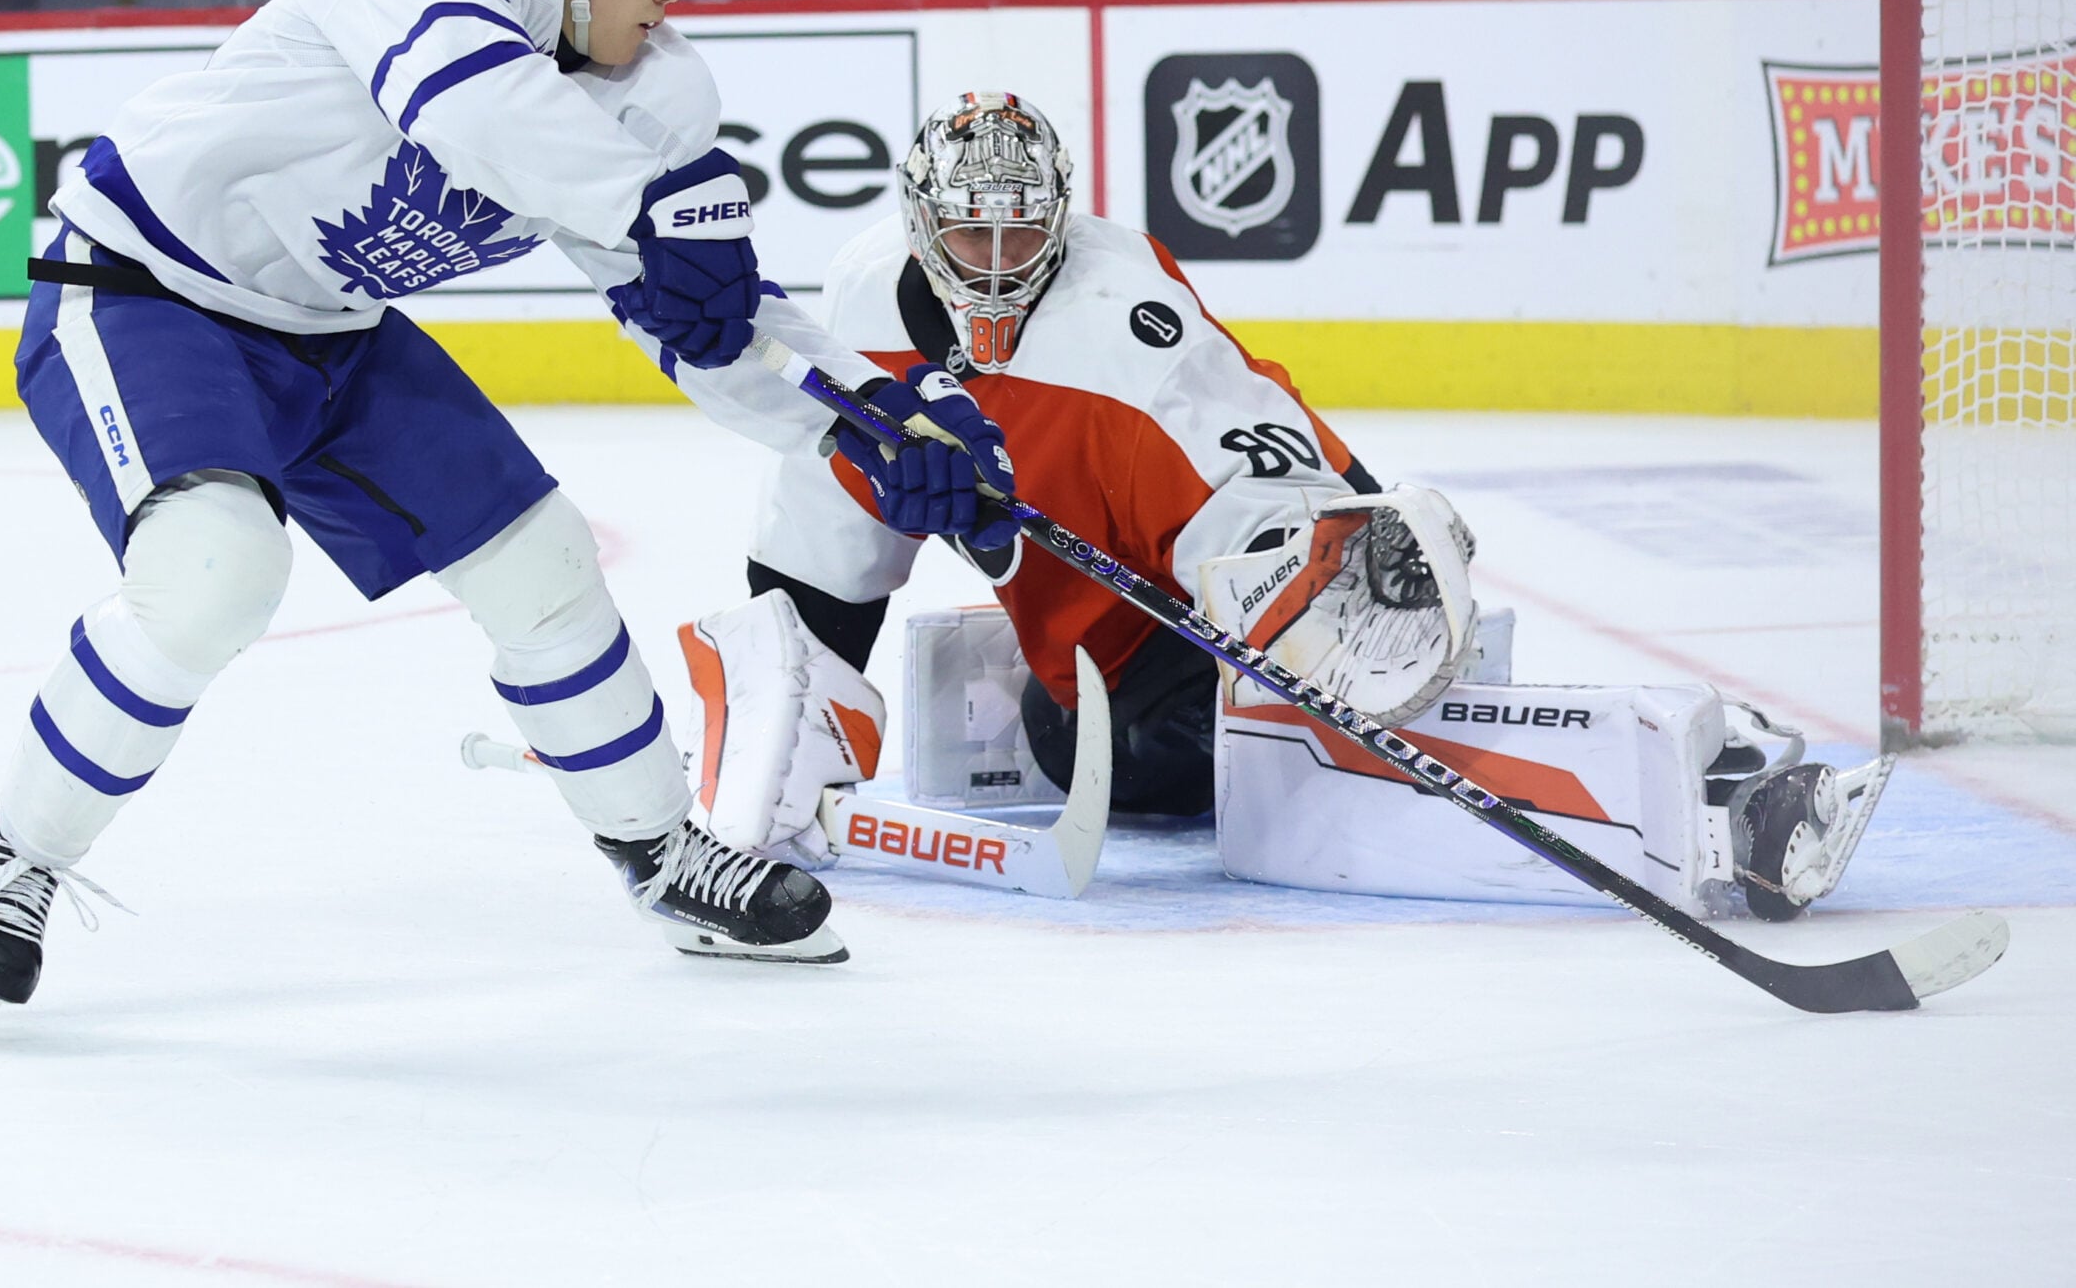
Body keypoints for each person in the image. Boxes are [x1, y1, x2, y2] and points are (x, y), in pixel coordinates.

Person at [0, 0, 986, 1043]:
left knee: (544, 567)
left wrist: (861, 417)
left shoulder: (649, 97)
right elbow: (468, 102)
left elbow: (697, 322)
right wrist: (647, 205)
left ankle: (659, 858)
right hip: (147, 288)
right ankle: (21, 858)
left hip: (331, 328)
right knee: (213, 574)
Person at [684, 94, 1889, 922]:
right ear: (914, 224)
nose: (997, 256)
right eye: (968, 228)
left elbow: (1254, 458)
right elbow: (818, 537)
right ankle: (1681, 791)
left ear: (1060, 217)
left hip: (1210, 609)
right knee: (1251, 769)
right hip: (1097, 692)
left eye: (1021, 226)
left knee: (1328, 755)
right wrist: (787, 727)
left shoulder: (1119, 321)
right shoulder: (858, 307)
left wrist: (1323, 574)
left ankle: (1723, 800)